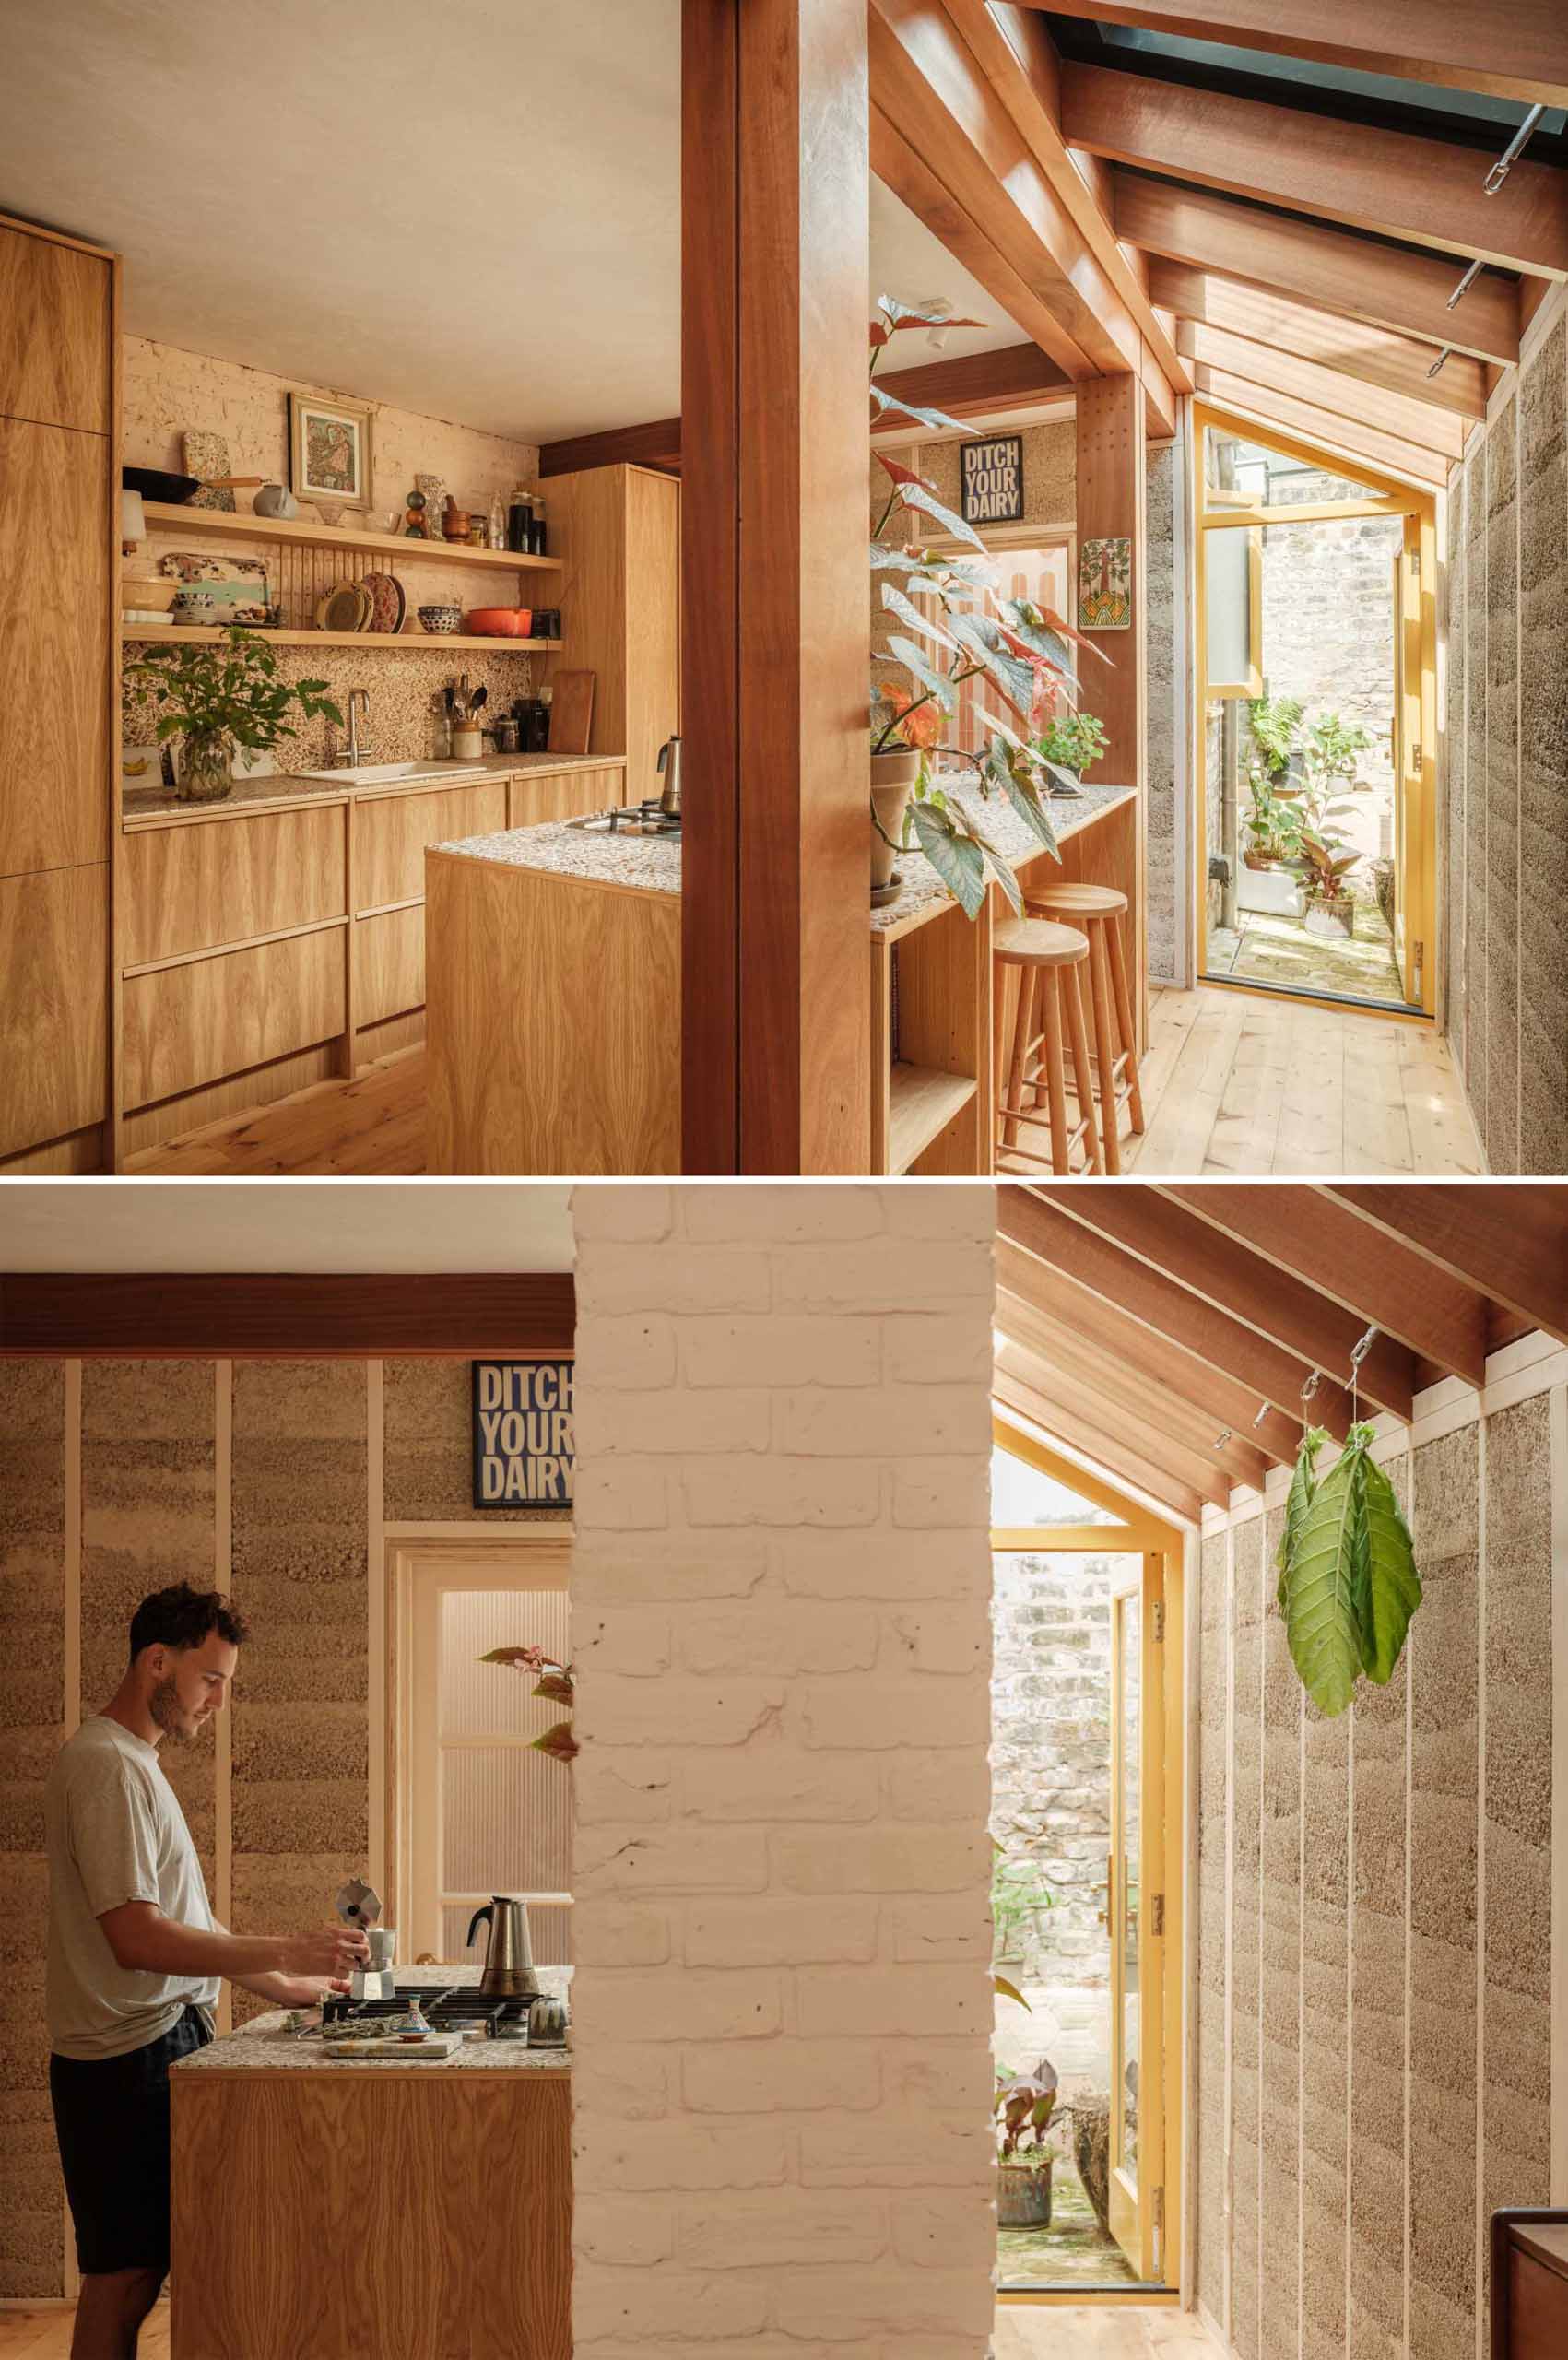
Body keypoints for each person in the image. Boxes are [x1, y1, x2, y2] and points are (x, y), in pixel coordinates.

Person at [44, 1582, 371, 2360]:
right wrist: (283, 1949)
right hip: (124, 2060)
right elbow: (138, 1939)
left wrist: (293, 1990)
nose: (217, 1702)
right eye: (211, 1679)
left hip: (157, 2046)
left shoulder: (137, 1764)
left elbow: (190, 1929)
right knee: (122, 2278)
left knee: (141, 2269)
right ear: (158, 1661)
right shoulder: (106, 1767)